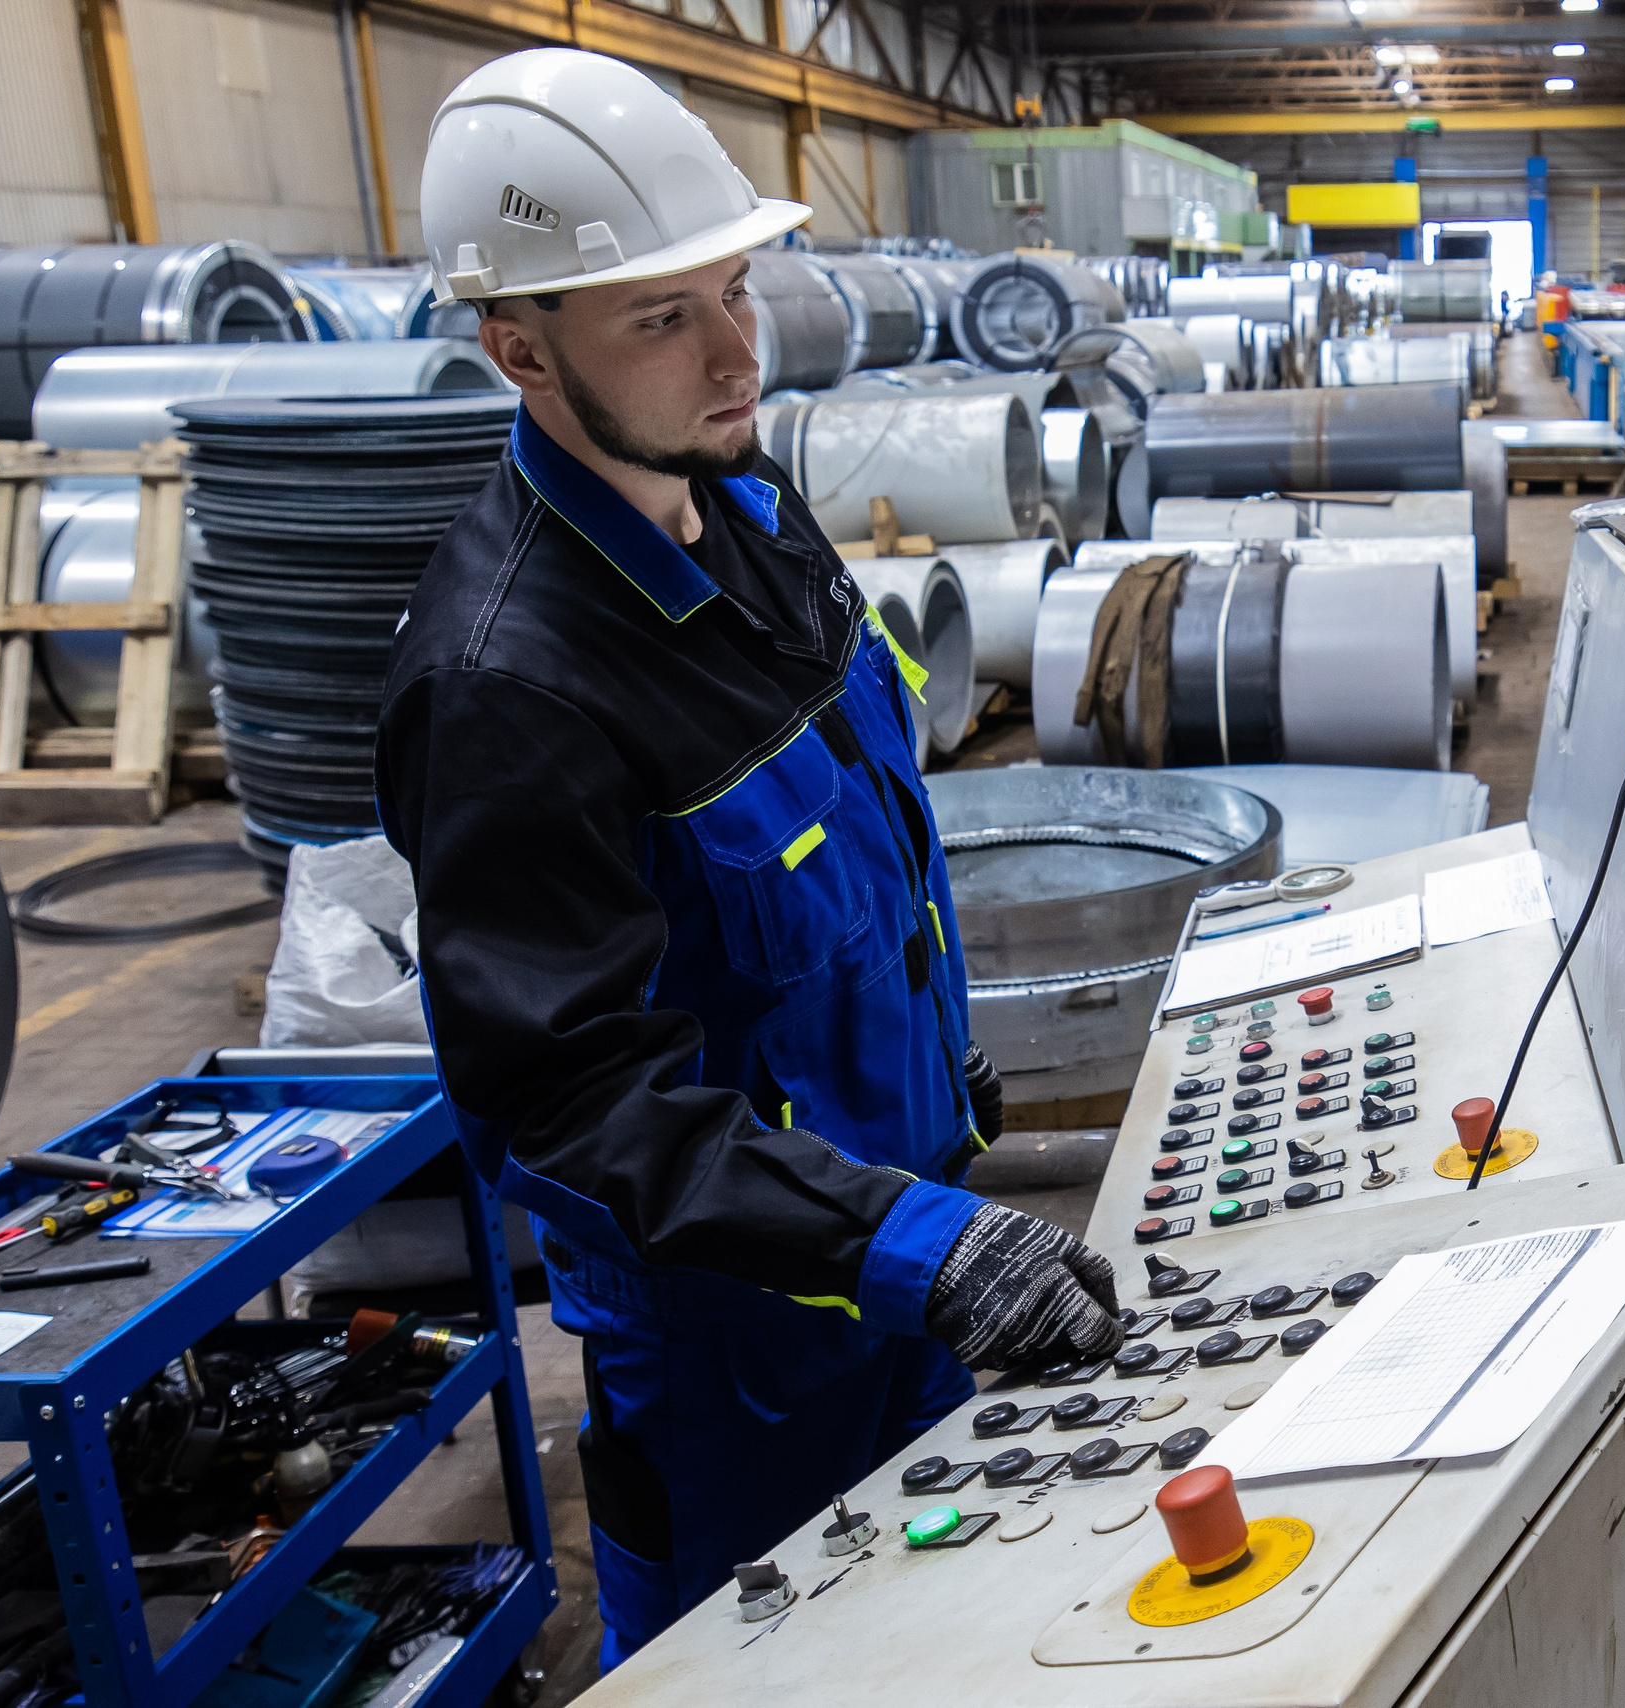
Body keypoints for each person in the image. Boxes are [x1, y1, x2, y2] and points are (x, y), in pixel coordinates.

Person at [373, 47, 1122, 1669]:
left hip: (911, 1269)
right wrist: (916, 1244)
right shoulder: (506, 685)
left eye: (732, 286)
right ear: (518, 348)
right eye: (659, 316)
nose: (734, 351)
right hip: (745, 1381)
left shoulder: (747, 499)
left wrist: (935, 1157)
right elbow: (569, 1107)